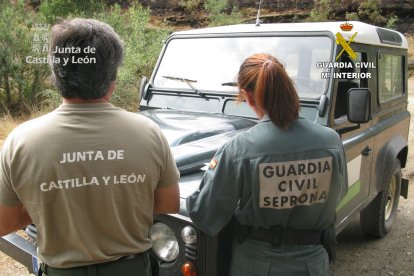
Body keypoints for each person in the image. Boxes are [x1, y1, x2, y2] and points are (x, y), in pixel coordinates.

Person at [0, 18, 180, 276]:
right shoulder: (149, 133)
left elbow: (4, 222)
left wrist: (48, 203)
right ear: (112, 79)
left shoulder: (21, 141)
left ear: (56, 75)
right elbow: (169, 203)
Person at [186, 53, 348, 275]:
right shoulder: (331, 141)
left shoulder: (239, 148)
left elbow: (205, 214)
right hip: (313, 263)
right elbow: (339, 194)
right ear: (289, 89)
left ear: (248, 96)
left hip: (256, 265)